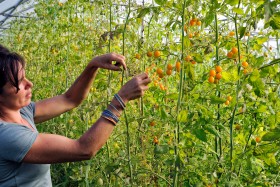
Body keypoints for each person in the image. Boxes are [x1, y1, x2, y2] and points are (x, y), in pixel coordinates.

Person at [0, 44, 151, 187]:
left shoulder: (21, 111)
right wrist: (120, 100)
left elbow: (70, 99)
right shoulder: (7, 136)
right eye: (19, 81)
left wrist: (93, 65)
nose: (30, 83)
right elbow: (83, 149)